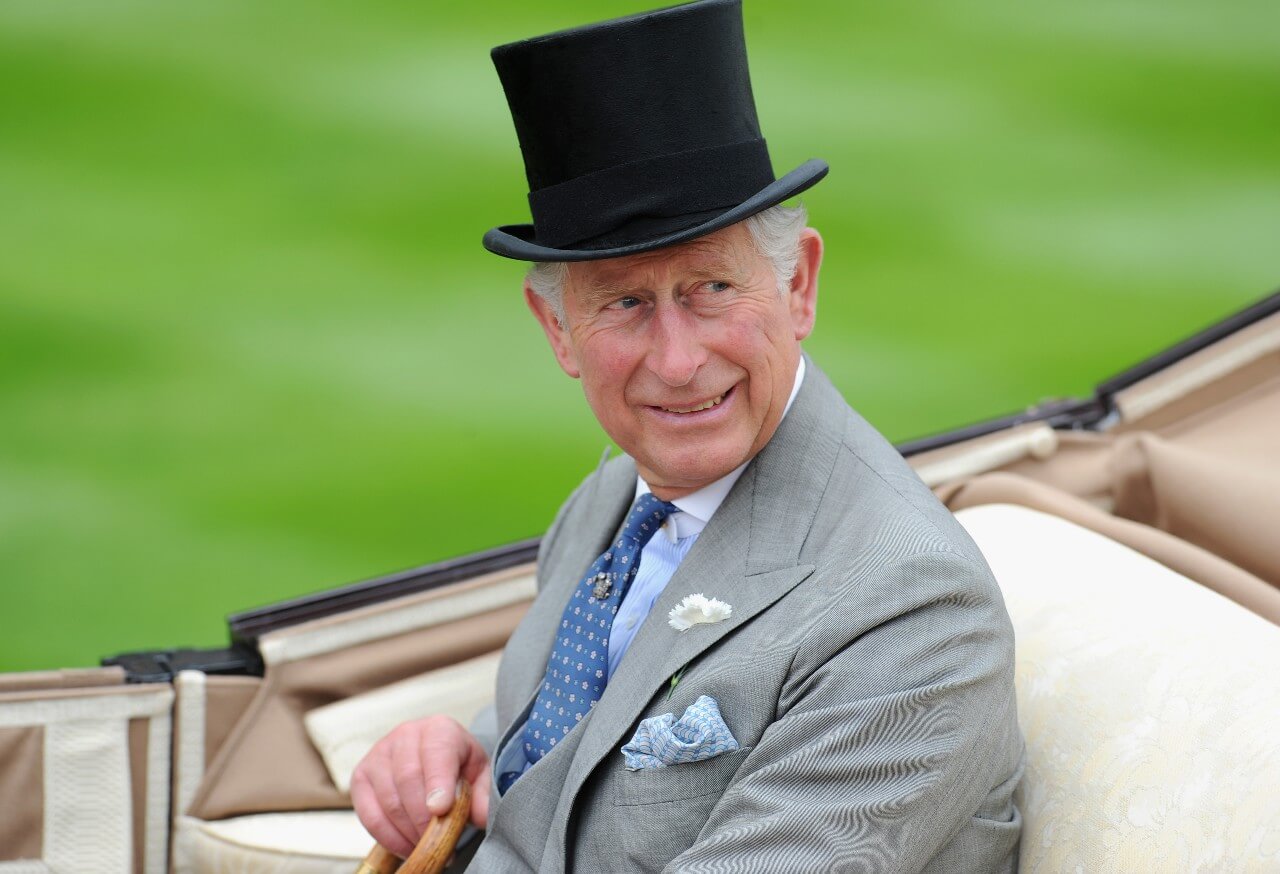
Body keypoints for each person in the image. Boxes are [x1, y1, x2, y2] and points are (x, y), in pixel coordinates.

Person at [352, 1, 1024, 870]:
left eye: (710, 288)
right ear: (559, 332)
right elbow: (579, 757)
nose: (676, 361)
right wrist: (467, 758)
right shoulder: (613, 503)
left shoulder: (912, 612)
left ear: (799, 286)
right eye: (626, 303)